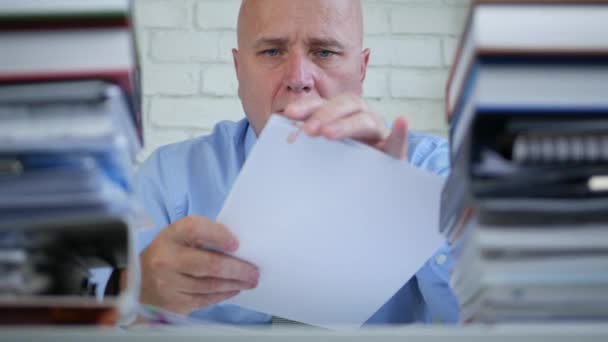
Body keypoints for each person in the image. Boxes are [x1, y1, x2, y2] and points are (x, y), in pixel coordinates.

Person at [115, 0, 458, 325]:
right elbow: (85, 320)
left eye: (324, 52)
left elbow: (494, 324)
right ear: (238, 70)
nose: (298, 78)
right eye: (272, 51)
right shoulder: (167, 179)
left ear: (362, 69)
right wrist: (137, 292)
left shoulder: (435, 175)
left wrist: (413, 215)